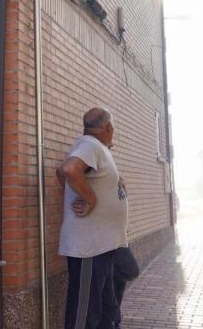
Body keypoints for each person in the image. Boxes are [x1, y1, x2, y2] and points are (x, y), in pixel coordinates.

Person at [57, 107, 129, 329]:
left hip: (103, 245)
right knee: (85, 312)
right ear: (109, 127)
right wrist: (89, 199)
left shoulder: (97, 147)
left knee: (103, 305)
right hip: (90, 247)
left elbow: (61, 172)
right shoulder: (90, 144)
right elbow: (68, 170)